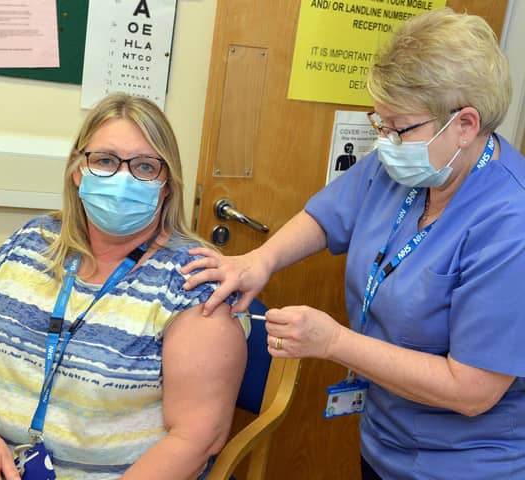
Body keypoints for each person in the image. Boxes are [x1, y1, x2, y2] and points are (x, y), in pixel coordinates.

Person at [182, 8, 525, 480]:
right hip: (385, 437)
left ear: (465, 124)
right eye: (378, 124)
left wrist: (335, 342)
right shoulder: (407, 164)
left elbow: (472, 390)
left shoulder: (511, 225)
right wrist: (261, 259)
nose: (384, 141)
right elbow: (326, 217)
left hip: (467, 463)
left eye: (398, 127)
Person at [0, 93, 249, 480]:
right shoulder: (29, 242)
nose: (122, 178)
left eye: (145, 167)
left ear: (167, 184)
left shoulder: (192, 281)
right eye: (105, 161)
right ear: (77, 170)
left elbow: (199, 437)